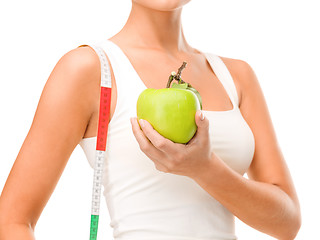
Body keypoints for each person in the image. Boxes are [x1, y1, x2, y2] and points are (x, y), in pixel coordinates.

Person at [0, 0, 301, 239]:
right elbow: (12, 221)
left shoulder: (237, 76)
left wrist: (205, 169)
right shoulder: (92, 70)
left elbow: (287, 225)